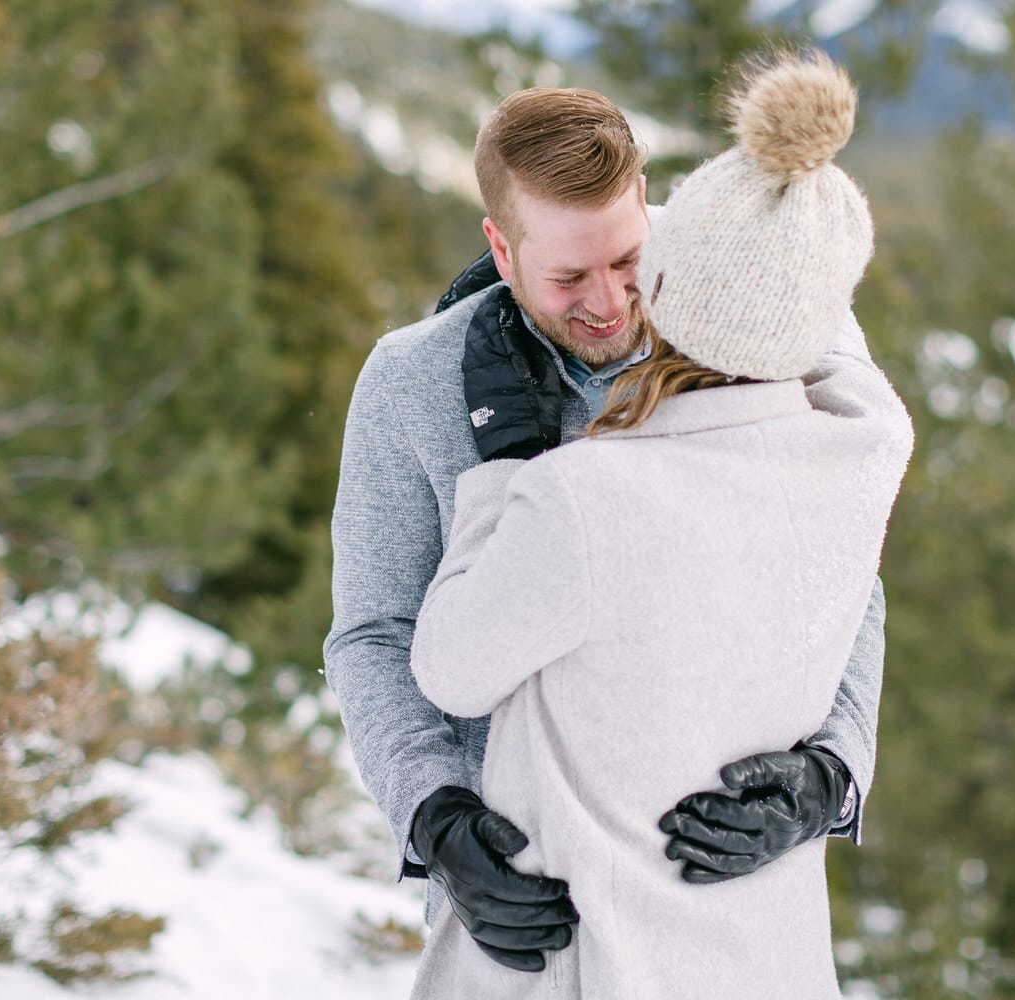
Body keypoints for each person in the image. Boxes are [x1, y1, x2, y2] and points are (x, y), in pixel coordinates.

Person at [323, 60, 889, 976]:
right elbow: (374, 631)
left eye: (629, 259)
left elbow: (847, 573)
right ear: (502, 253)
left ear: (650, 207)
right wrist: (435, 815)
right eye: (566, 276)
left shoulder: (751, 319)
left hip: (721, 909)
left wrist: (831, 773)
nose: (610, 301)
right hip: (526, 911)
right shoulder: (411, 383)